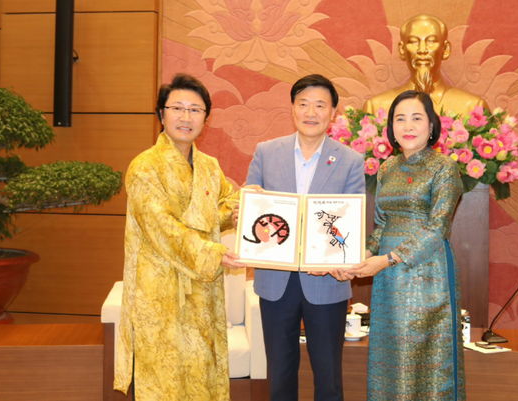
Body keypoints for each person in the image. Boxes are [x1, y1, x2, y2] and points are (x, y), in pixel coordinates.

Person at [115, 73, 244, 400]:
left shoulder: (209, 166)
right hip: (160, 291)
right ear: (161, 114)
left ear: (205, 118)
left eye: (195, 110)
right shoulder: (144, 167)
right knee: (164, 378)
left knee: (202, 374)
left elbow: (221, 205)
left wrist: (240, 210)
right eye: (177, 108)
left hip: (203, 293)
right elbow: (164, 228)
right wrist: (215, 253)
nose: (186, 117)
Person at [244, 74, 366, 401]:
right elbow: (253, 209)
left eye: (320, 105)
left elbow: (351, 221)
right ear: (292, 108)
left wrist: (344, 260)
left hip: (326, 281)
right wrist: (245, 206)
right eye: (303, 104)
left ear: (333, 113)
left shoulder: (350, 160)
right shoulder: (266, 152)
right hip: (275, 280)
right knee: (280, 375)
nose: (311, 112)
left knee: (328, 377)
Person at [350, 90, 466, 400]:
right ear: (391, 127)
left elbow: (438, 227)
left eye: (417, 118)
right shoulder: (387, 168)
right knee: (390, 353)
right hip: (388, 277)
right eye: (400, 119)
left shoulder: (444, 167)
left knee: (424, 353)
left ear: (431, 125)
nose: (408, 126)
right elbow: (382, 224)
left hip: (428, 272)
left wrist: (388, 258)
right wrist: (362, 256)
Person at [363, 14, 486, 117]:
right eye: (413, 42)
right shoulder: (375, 107)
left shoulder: (473, 107)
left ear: (445, 49)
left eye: (431, 41)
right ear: (402, 50)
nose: (422, 50)